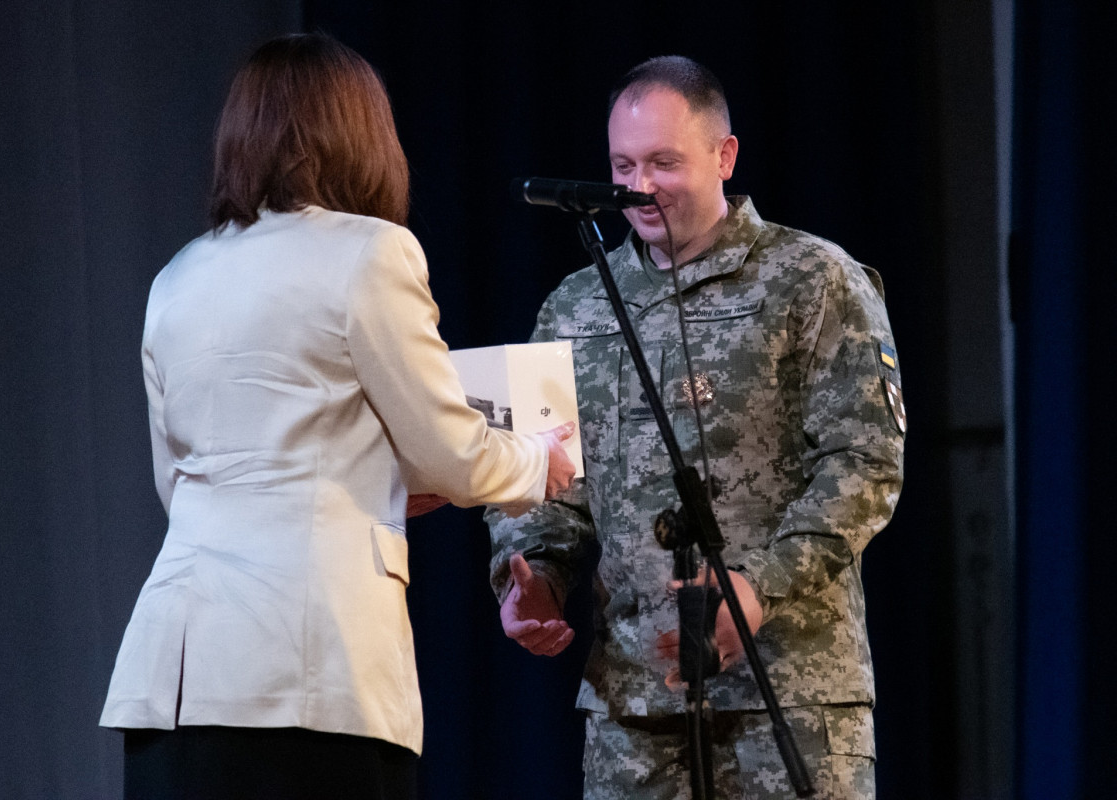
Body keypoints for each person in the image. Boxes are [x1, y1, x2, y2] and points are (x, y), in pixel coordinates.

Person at [99, 31, 576, 800]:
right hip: (312, 672)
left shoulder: (175, 278)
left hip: (175, 675)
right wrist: (535, 467)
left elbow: (182, 484)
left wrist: (376, 485)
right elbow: (452, 448)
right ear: (363, 136)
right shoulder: (371, 253)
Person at [488, 55, 905, 799]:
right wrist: (533, 578)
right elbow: (539, 480)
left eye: (663, 162)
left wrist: (760, 586)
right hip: (632, 714)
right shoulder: (572, 307)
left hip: (790, 696)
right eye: (622, 164)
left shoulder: (813, 279)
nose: (639, 188)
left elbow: (865, 463)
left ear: (725, 155)